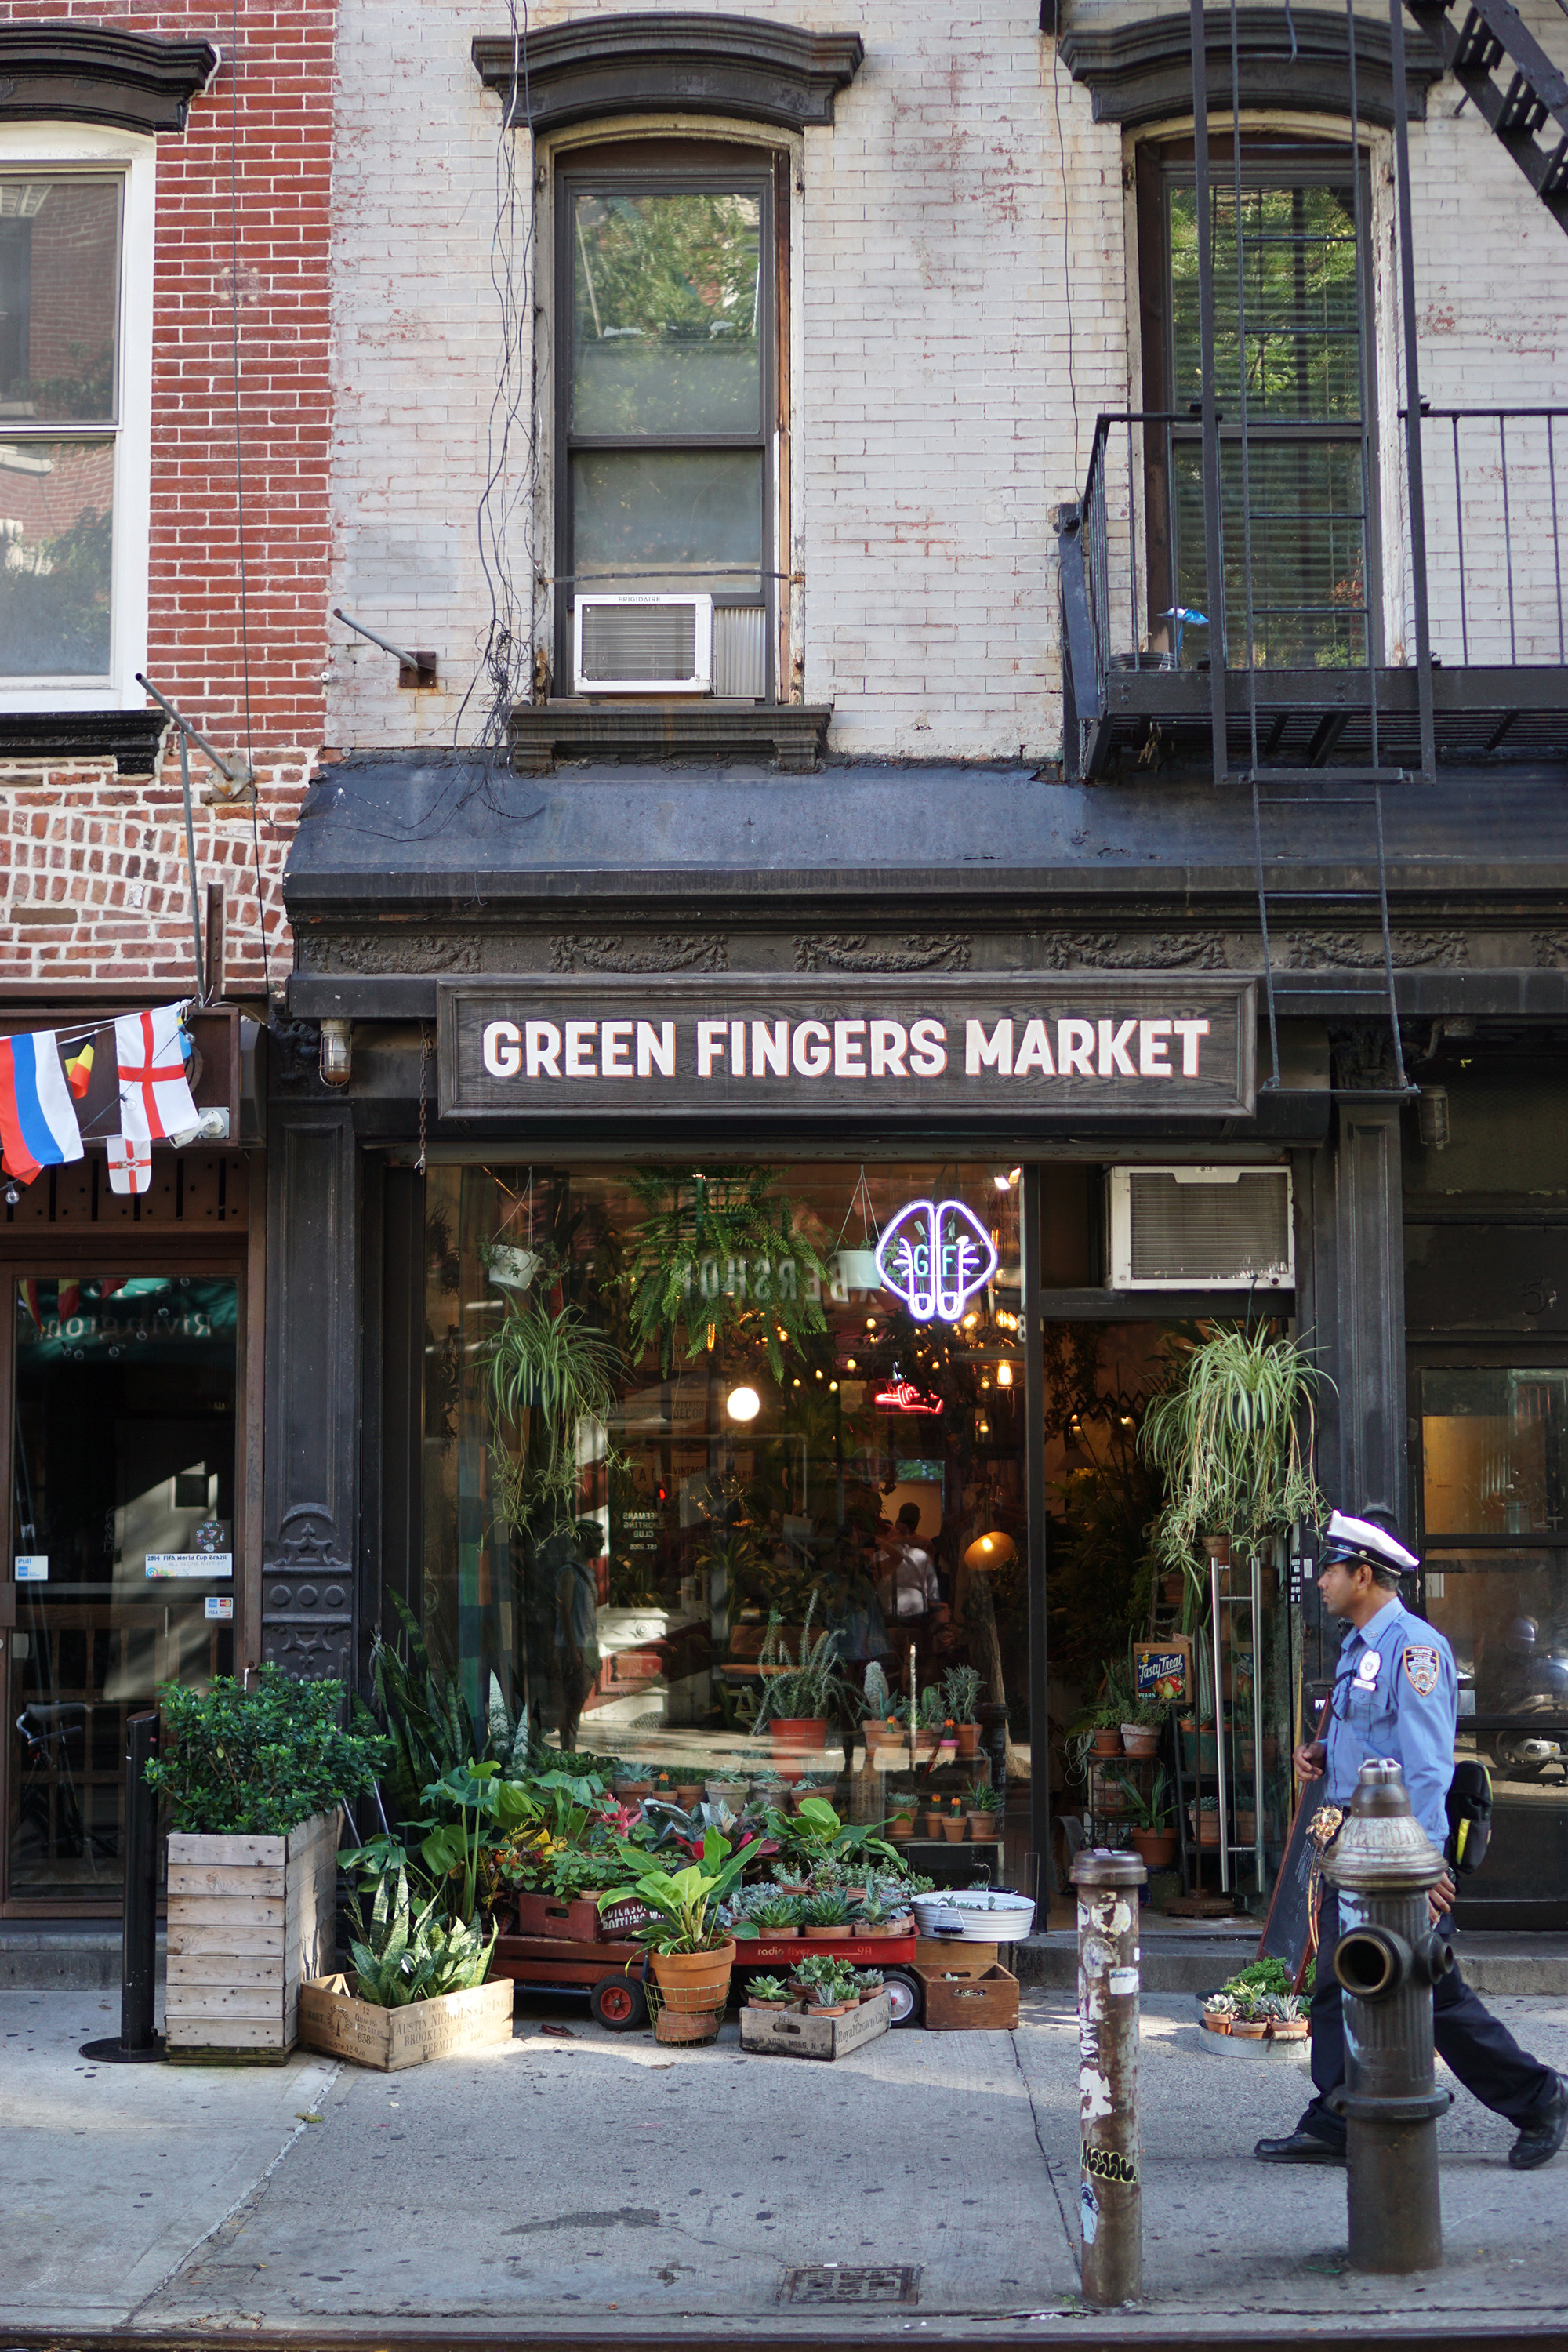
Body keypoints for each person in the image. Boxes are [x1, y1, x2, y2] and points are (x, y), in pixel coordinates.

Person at [1256, 1509, 1568, 2171]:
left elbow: (1426, 1769)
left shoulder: (1414, 1650)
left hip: (1392, 1859)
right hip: (1351, 1844)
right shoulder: (1357, 1645)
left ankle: (1541, 2098)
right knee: (1341, 1982)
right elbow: (1368, 1738)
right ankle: (1338, 2112)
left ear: (1363, 1575)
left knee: (1431, 1989)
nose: (1321, 1583)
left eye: (1332, 1572)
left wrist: (1422, 1868)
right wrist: (1320, 1755)